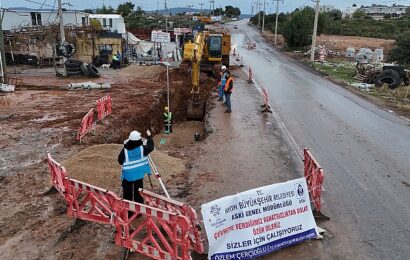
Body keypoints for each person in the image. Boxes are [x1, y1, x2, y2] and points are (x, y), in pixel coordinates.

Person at [118, 130, 154, 204]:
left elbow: (120, 161)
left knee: (127, 194)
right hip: (139, 174)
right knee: (138, 193)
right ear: (139, 139)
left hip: (128, 175)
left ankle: (129, 212)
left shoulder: (124, 150)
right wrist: (149, 137)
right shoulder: (142, 148)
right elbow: (151, 147)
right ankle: (139, 211)